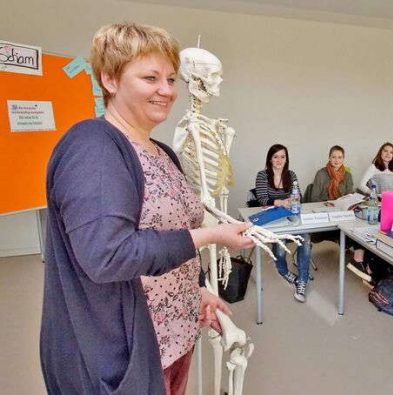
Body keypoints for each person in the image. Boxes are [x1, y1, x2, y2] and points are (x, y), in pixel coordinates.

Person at [40, 22, 255, 395]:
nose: (166, 91)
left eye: (171, 79)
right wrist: (211, 236)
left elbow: (167, 235)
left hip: (175, 336)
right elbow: (108, 255)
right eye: (150, 77)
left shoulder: (163, 154)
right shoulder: (93, 148)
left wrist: (195, 291)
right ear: (109, 79)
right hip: (127, 355)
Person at [255, 144, 312, 302]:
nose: (279, 160)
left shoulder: (291, 174)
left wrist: (293, 200)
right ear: (270, 159)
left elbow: (298, 195)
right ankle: (283, 271)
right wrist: (280, 201)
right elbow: (262, 199)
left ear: (286, 159)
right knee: (279, 248)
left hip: (291, 215)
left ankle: (302, 281)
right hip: (272, 217)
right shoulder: (262, 175)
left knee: (305, 238)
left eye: (282, 156)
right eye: (276, 157)